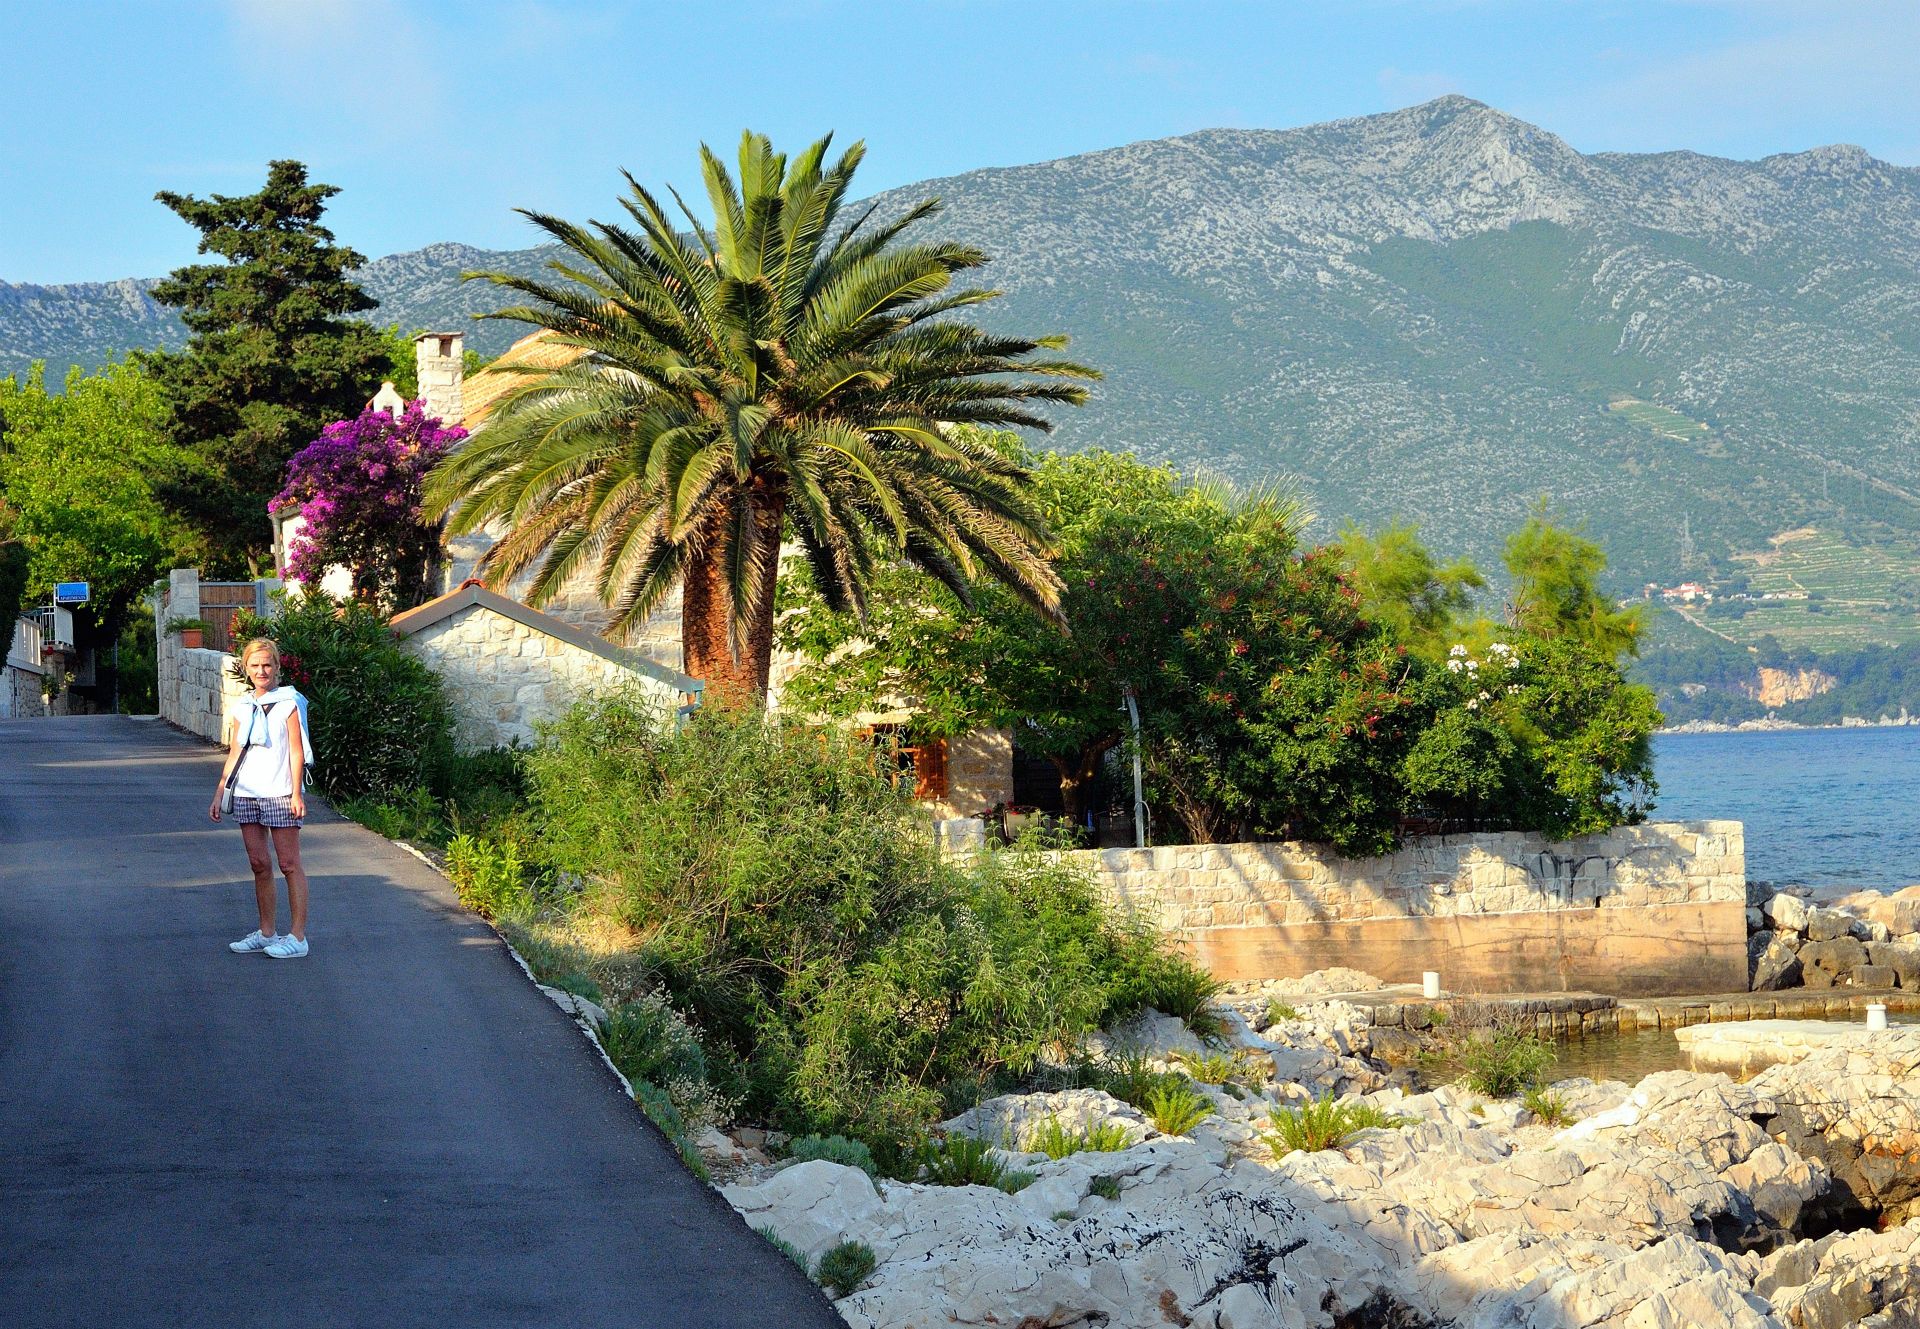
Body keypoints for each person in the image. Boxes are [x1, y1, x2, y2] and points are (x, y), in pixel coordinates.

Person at [209, 637, 314, 959]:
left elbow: (297, 751)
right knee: (258, 863)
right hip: (247, 792)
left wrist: (296, 793)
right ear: (246, 669)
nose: (261, 670)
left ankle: (297, 937)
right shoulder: (243, 706)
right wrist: (219, 792)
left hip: (280, 791)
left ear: (277, 667)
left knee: (289, 863)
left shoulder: (289, 702)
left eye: (267, 664)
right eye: (255, 665)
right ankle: (267, 932)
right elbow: (235, 751)